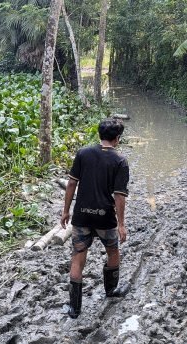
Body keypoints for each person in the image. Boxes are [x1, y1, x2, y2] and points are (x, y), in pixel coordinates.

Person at [60, 118, 130, 319]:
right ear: (117, 139)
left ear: (99, 135)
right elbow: (119, 196)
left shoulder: (83, 154)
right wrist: (121, 224)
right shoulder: (120, 161)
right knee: (113, 251)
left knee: (78, 256)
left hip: (82, 215)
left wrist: (65, 211)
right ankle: (111, 290)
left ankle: (75, 308)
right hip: (105, 217)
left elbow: (72, 184)